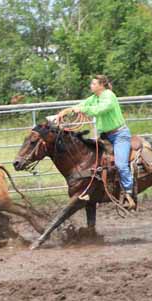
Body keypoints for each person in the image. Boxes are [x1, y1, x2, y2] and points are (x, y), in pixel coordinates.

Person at [59, 75, 136, 210]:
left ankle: (129, 192)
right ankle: (98, 189)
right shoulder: (94, 98)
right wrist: (66, 111)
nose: (91, 85)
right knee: (93, 162)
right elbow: (82, 105)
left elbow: (100, 109)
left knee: (121, 164)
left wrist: (81, 109)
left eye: (94, 83)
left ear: (102, 85)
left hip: (119, 135)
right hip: (105, 136)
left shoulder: (108, 96)